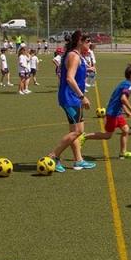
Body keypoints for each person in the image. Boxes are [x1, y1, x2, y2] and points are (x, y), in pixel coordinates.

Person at [45, 30, 96, 173]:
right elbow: (69, 78)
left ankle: (78, 160)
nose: (90, 43)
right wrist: (82, 96)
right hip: (70, 98)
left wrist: (87, 70)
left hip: (72, 97)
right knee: (78, 131)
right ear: (80, 41)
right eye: (87, 41)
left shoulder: (77, 55)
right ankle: (53, 156)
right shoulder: (74, 56)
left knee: (75, 131)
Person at [82, 65, 131, 159]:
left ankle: (123, 152)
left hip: (118, 113)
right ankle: (84, 137)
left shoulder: (125, 83)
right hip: (113, 113)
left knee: (126, 130)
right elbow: (123, 98)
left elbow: (120, 100)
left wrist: (126, 111)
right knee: (107, 135)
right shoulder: (128, 85)